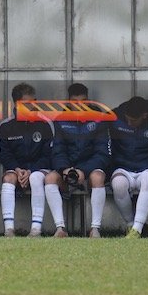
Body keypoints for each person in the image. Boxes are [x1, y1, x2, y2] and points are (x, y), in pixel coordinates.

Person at [44, 83, 112, 238]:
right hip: (68, 171)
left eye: (83, 102)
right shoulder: (60, 120)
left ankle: (95, 229)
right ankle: (60, 228)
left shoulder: (100, 120)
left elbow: (103, 154)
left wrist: (84, 171)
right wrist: (65, 169)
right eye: (76, 102)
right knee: (50, 178)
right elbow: (57, 151)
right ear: (69, 102)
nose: (80, 106)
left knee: (98, 177)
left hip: (89, 171)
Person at [106, 95, 148, 239]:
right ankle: (130, 225)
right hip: (124, 165)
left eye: (133, 120)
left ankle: (137, 229)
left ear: (145, 115)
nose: (129, 122)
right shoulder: (115, 118)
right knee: (118, 184)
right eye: (127, 119)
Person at [0, 82, 53, 237]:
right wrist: (17, 169)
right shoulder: (6, 126)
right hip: (17, 170)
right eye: (29, 103)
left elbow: (49, 155)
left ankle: (36, 229)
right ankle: (9, 230)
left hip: (38, 169)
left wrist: (31, 170)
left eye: (34, 102)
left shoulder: (45, 124)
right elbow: (4, 154)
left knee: (35, 177)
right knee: (8, 178)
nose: (33, 106)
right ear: (17, 104)